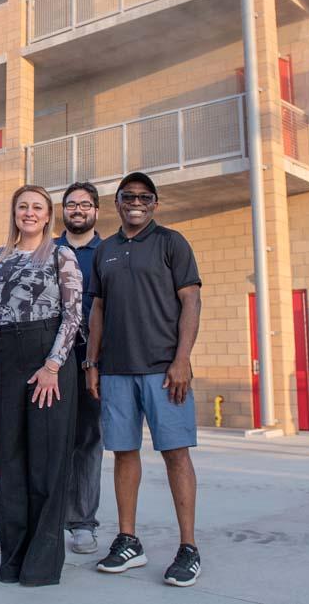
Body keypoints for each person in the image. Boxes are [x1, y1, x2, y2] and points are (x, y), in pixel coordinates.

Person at [85, 172, 203, 587]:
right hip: (116, 370)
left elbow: (191, 300)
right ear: (116, 203)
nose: (136, 202)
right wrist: (92, 362)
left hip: (164, 369)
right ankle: (128, 540)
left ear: (155, 203)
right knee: (123, 453)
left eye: (144, 197)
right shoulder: (106, 251)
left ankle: (188, 547)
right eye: (128, 196)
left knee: (176, 454)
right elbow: (97, 309)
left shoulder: (172, 243)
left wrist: (182, 359)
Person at [0, 184, 83, 586]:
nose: (29, 212)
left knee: (46, 461)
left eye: (37, 207)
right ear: (15, 213)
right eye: (22, 206)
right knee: (11, 461)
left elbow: (74, 315)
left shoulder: (62, 254)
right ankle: (13, 559)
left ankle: (41, 564)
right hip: (7, 355)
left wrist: (53, 365)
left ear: (48, 216)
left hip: (48, 357)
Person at [55, 182, 104, 555]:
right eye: (71, 204)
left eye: (85, 204)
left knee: (87, 440)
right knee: (47, 439)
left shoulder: (108, 252)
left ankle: (82, 522)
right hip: (49, 359)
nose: (77, 210)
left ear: (96, 211)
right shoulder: (45, 251)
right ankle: (44, 521)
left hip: (91, 357)